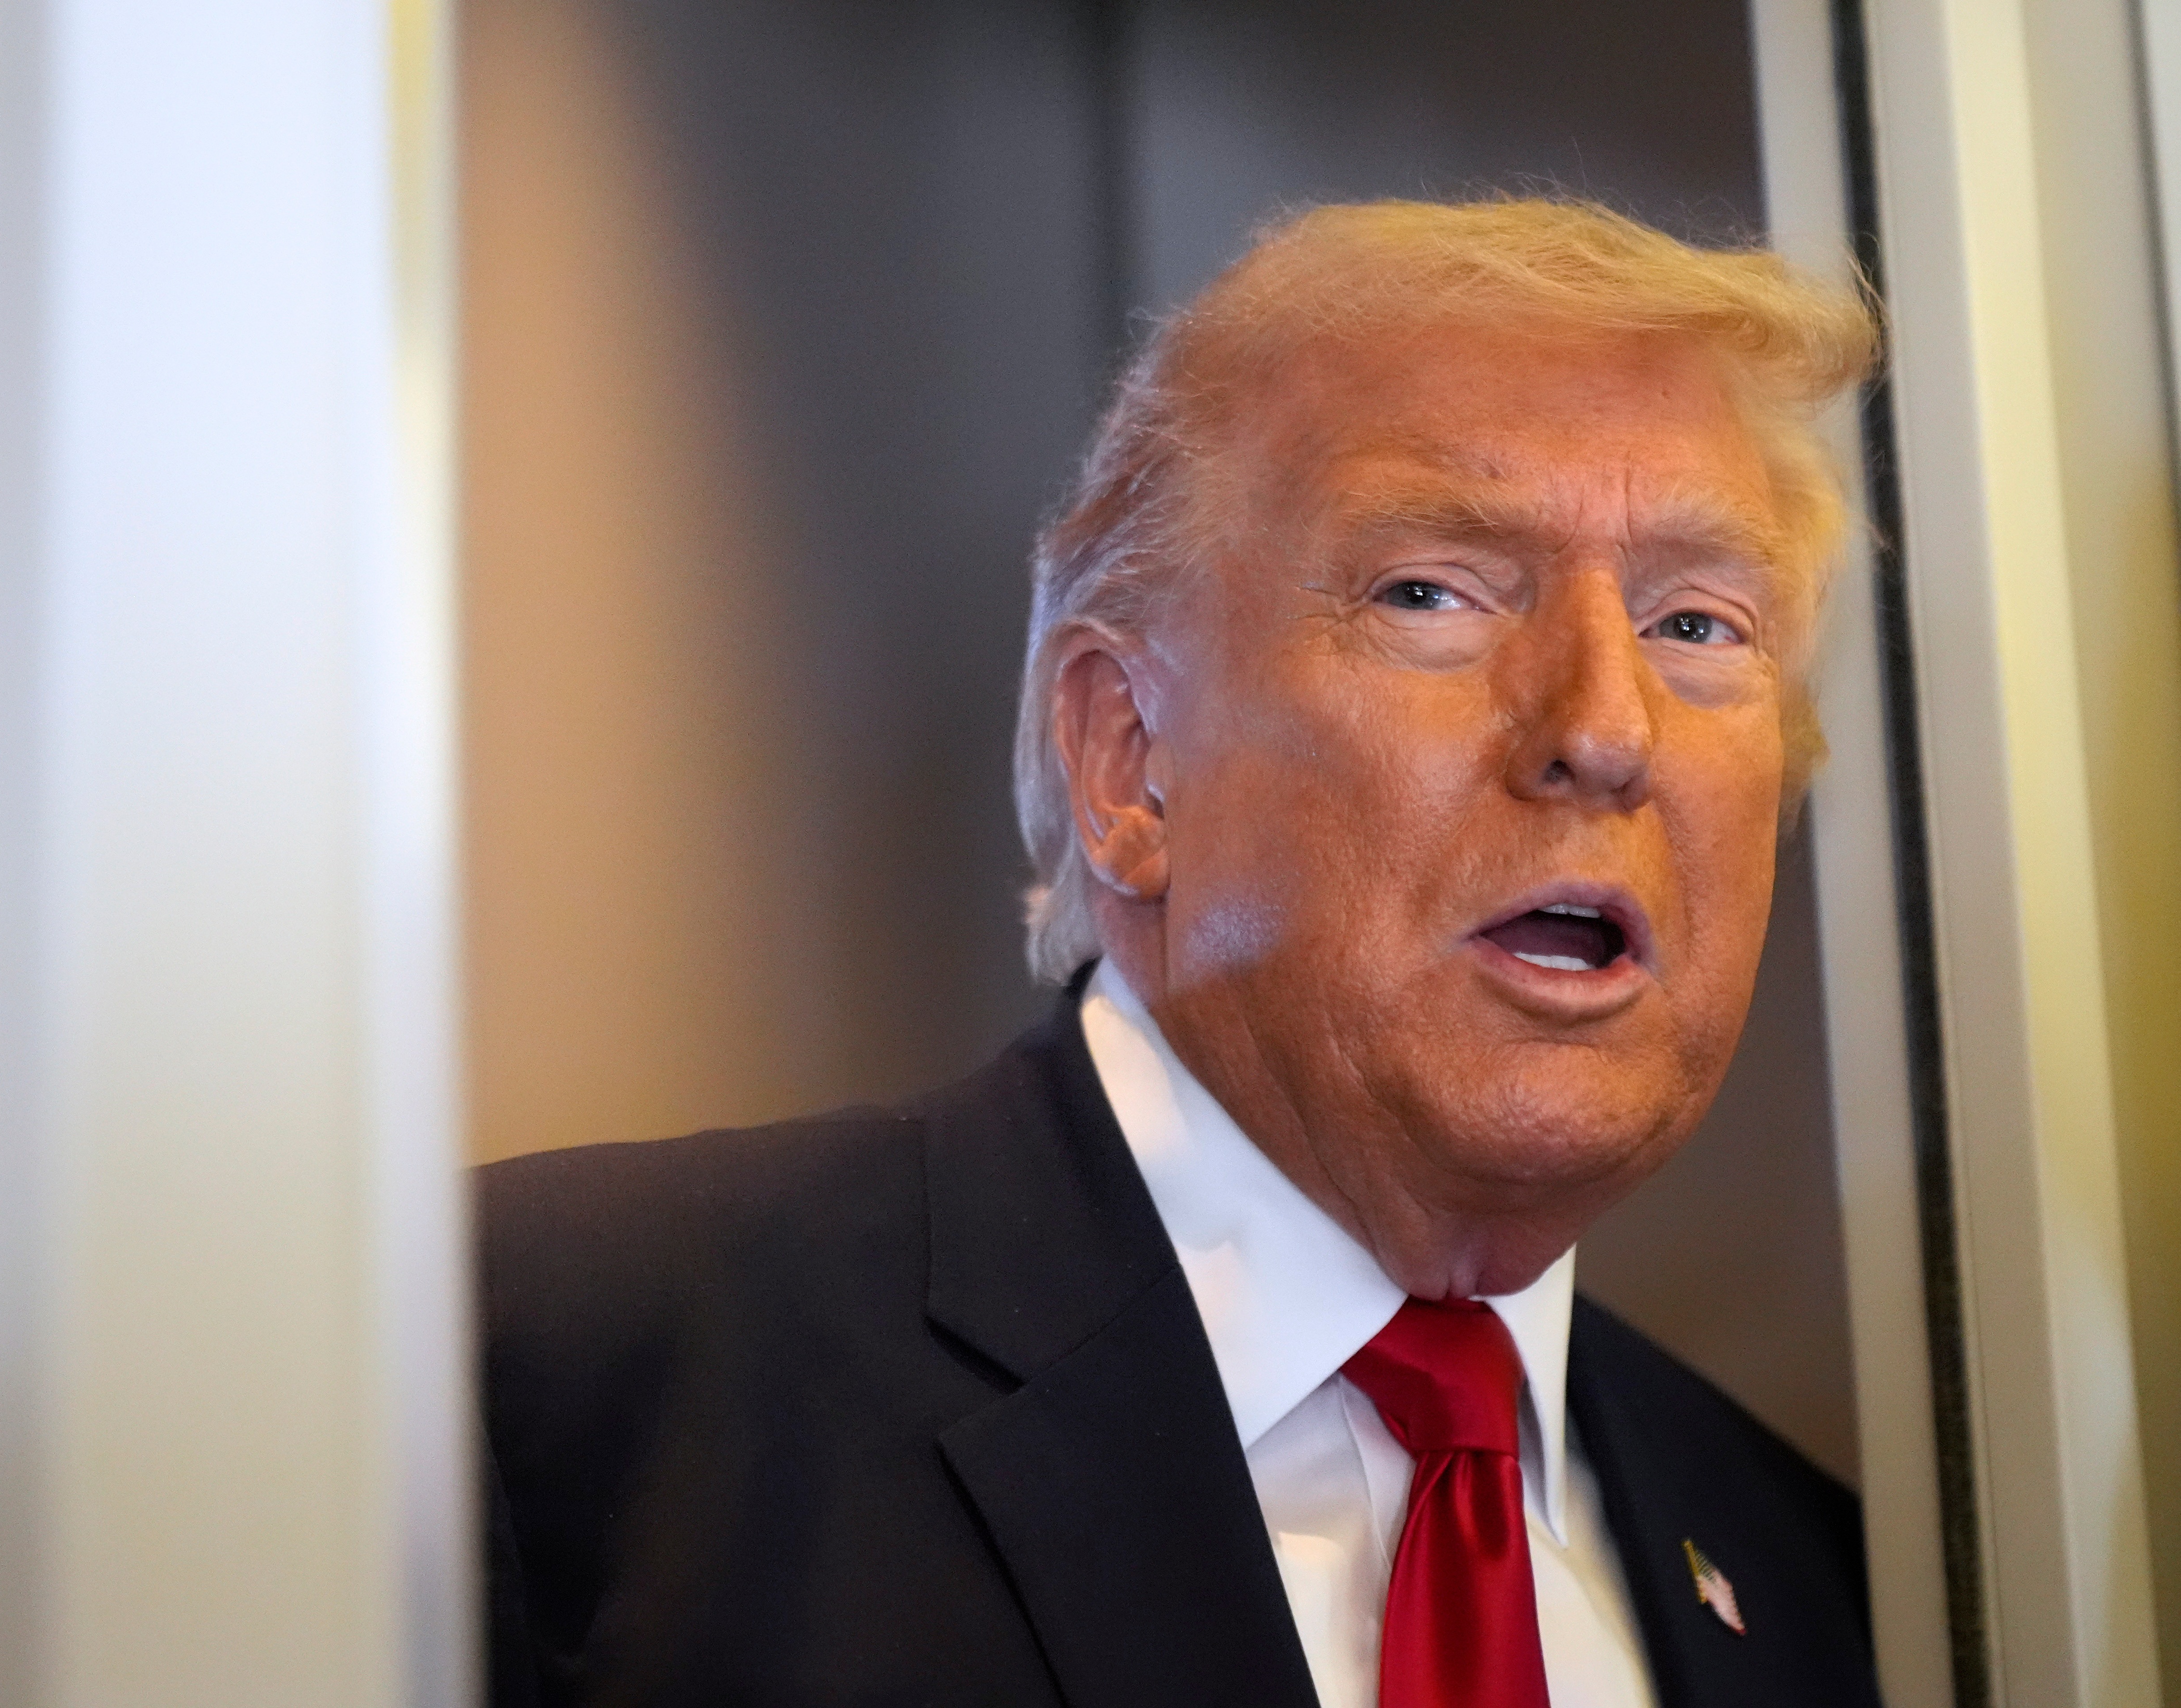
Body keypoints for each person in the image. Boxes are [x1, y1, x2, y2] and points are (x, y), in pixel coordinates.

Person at [480, 198, 1882, 1708]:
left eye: (1697, 624)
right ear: (1128, 761)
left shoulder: (1828, 1590)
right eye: (1431, 593)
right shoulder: (557, 1375)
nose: (1605, 727)